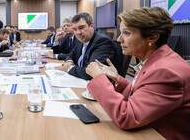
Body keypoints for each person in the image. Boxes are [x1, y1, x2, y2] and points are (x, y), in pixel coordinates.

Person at [85, 7, 190, 139]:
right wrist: (118, 79)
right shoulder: (158, 58)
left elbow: (127, 117)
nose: (119, 39)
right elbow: (143, 92)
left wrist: (99, 78)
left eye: (126, 33)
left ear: (152, 37)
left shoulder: (166, 71)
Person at [58, 12, 119, 80]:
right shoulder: (81, 40)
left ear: (91, 26)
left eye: (81, 28)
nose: (78, 32)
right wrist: (69, 62)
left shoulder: (102, 41)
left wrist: (69, 68)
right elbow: (71, 55)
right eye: (75, 29)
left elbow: (90, 72)